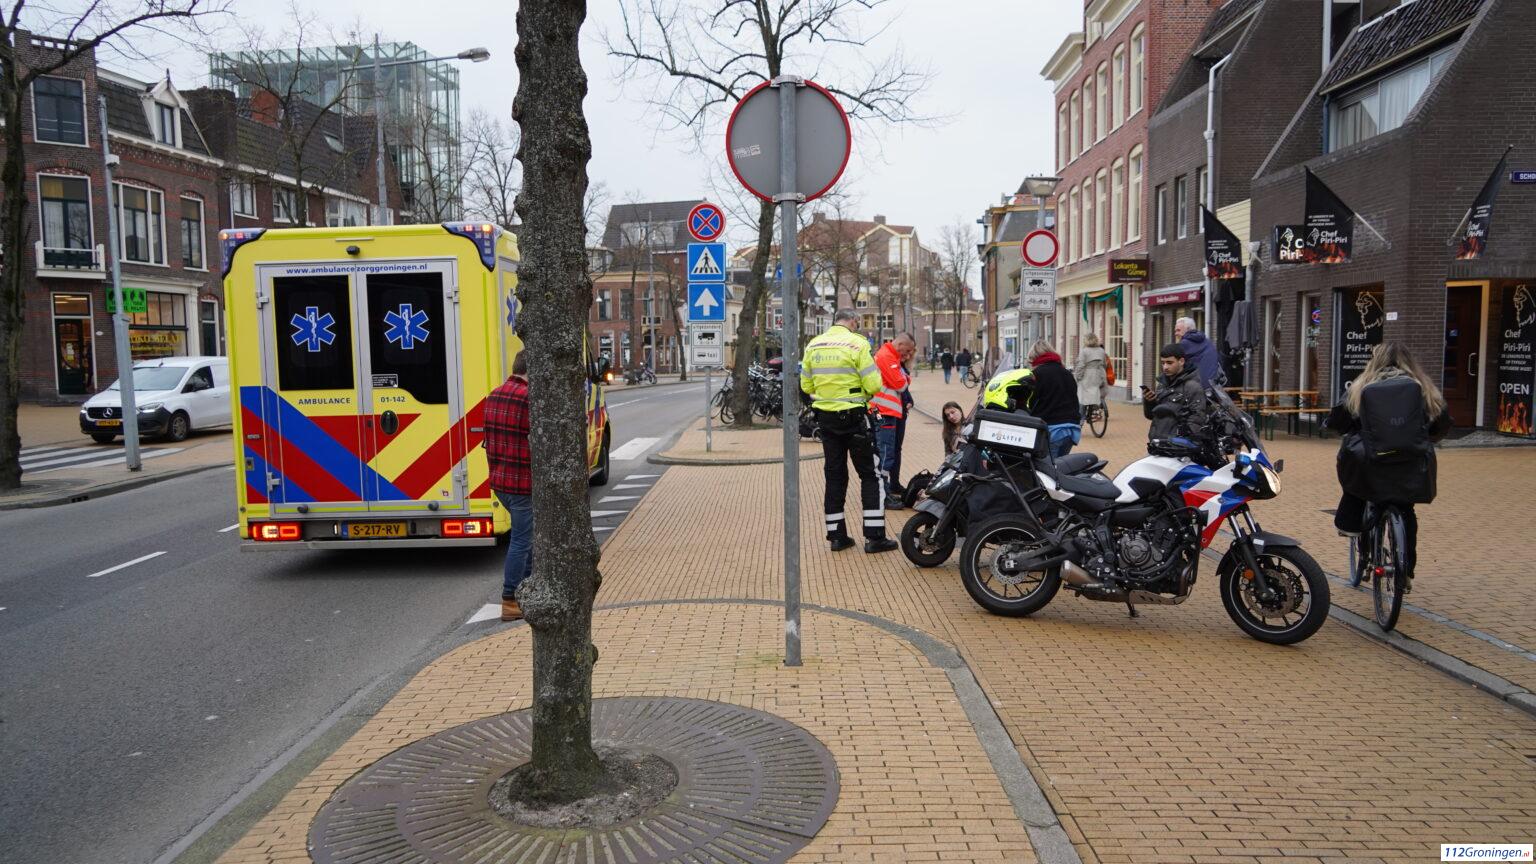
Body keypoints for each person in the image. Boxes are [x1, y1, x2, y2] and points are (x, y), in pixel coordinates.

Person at [1327, 343, 1452, 581]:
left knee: (1362, 492)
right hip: (1410, 464)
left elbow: (1338, 420)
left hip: (1371, 465)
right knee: (1406, 509)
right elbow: (1442, 422)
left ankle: (1364, 553)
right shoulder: (1423, 387)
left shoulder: (1362, 385)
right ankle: (1405, 569)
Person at [800, 309, 899, 553]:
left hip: (826, 420)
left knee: (834, 475)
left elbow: (806, 384)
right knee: (870, 475)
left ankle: (836, 536)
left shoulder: (814, 345)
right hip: (855, 418)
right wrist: (860, 395)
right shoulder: (857, 343)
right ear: (853, 321)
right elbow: (874, 384)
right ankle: (874, 537)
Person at [485, 353, 533, 622]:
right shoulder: (527, 398)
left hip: (500, 481)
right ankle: (510, 598)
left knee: (528, 537)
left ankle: (525, 590)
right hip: (521, 482)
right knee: (522, 541)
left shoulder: (494, 395)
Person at [871, 332, 915, 509]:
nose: (909, 354)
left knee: (886, 454)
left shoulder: (890, 356)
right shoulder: (887, 357)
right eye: (908, 350)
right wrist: (904, 377)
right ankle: (882, 495)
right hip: (884, 412)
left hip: (885, 412)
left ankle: (885, 490)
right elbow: (901, 384)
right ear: (900, 344)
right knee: (885, 455)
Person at [1023, 340, 1082, 458]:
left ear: (1034, 357)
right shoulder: (1067, 373)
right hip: (1071, 430)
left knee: (1045, 472)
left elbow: (1030, 402)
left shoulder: (1036, 375)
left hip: (1051, 430)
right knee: (1059, 469)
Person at [1141, 343, 1209, 441]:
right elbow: (1151, 416)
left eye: (1169, 363)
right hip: (1157, 442)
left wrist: (1181, 440)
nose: (1165, 367)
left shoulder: (1192, 386)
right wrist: (1149, 402)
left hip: (1178, 446)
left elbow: (1197, 419)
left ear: (1181, 361)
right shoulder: (1162, 385)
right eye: (1163, 363)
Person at [1175, 316, 1223, 387]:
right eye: (1175, 331)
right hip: (1214, 386)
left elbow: (1174, 366)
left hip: (1198, 388)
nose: (1175, 333)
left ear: (1188, 329)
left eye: (1178, 330)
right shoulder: (1207, 341)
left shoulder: (1184, 344)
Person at [1073, 333, 1109, 418]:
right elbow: (1104, 364)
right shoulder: (1101, 350)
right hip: (1099, 375)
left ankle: (1080, 421)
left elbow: (1081, 366)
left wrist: (1077, 377)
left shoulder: (1084, 351)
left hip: (1087, 376)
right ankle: (1095, 409)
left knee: (1082, 397)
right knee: (1096, 392)